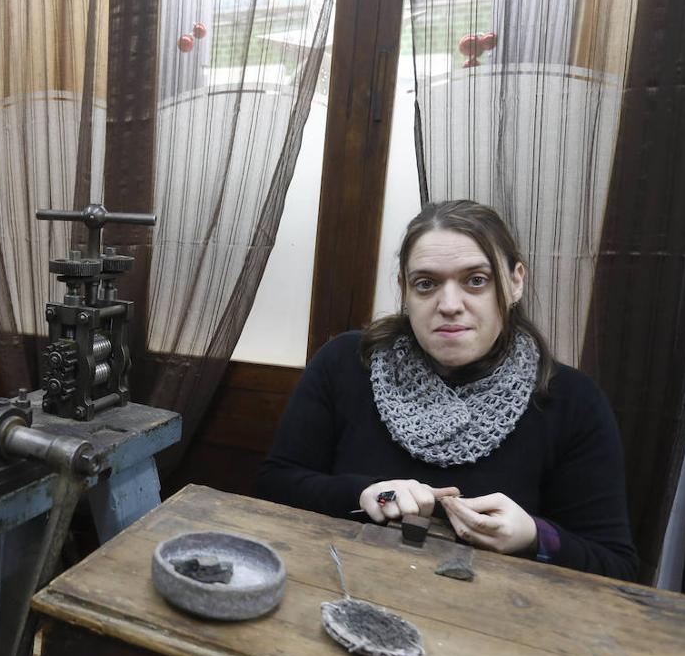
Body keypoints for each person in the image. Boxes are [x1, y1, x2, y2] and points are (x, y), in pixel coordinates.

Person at [256, 200, 638, 581]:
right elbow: (275, 485)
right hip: (343, 589)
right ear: (405, 291)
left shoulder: (572, 401)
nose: (450, 305)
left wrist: (533, 536)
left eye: (476, 280)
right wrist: (363, 495)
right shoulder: (346, 364)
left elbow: (615, 565)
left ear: (515, 281)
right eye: (427, 284)